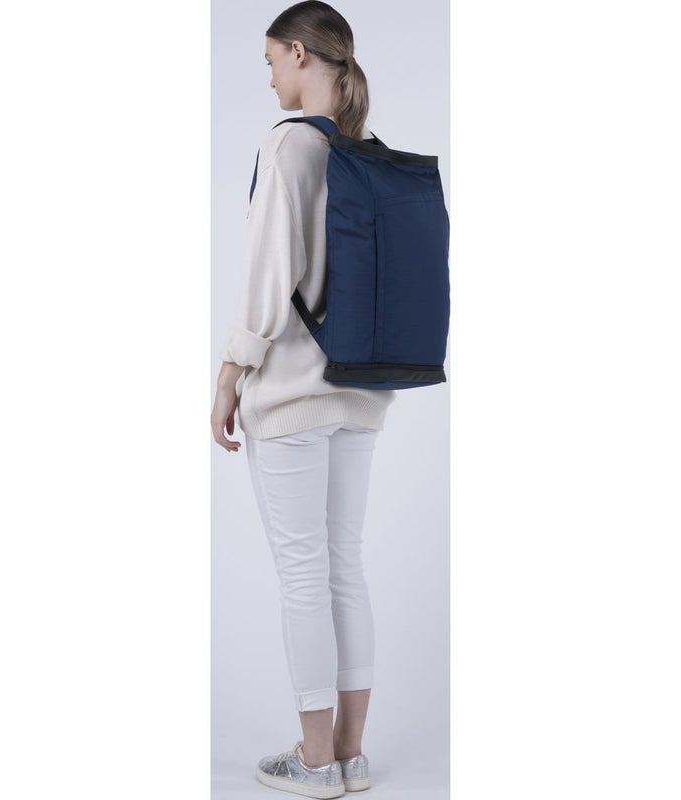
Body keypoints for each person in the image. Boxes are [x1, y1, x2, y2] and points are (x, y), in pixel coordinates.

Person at [211, 2, 396, 796]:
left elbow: (267, 276)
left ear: (298, 53)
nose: (269, 78)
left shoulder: (288, 144)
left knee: (301, 576)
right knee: (343, 567)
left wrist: (230, 373)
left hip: (291, 396)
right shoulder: (363, 150)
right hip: (360, 394)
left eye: (269, 61)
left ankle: (315, 763)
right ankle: (351, 755)